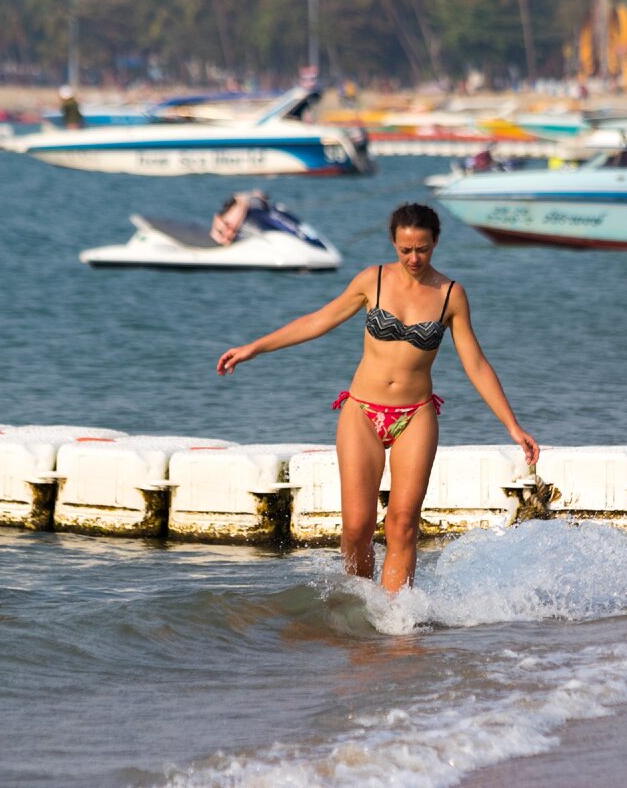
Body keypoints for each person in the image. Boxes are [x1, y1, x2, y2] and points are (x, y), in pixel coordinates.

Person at [217, 203, 539, 593]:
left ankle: (396, 621)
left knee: (402, 524)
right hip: (362, 413)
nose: (414, 258)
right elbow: (319, 320)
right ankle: (361, 605)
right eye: (405, 250)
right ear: (394, 243)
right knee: (356, 527)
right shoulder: (373, 280)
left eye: (422, 249)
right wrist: (255, 348)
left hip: (416, 415)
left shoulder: (451, 295)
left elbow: (475, 363)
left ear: (435, 242)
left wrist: (512, 425)